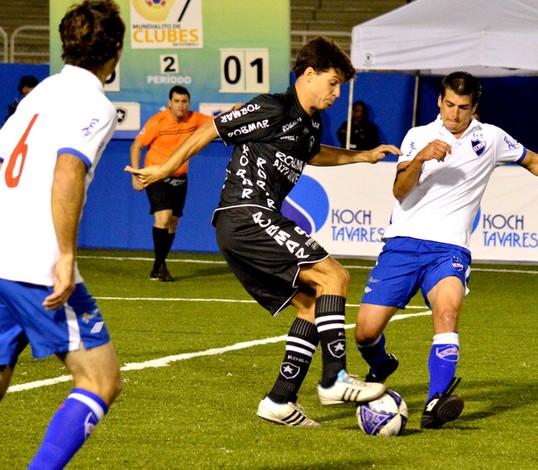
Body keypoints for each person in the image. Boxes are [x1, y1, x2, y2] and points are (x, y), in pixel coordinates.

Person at [126, 36, 401, 427]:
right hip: (245, 213)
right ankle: (334, 378)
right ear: (309, 74)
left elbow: (313, 152)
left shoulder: (310, 122)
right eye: (333, 83)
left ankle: (279, 401)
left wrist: (361, 156)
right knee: (334, 277)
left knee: (310, 306)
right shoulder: (272, 106)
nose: (337, 93)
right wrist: (164, 169)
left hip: (250, 221)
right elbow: (210, 131)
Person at [354, 71, 538, 430]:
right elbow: (400, 191)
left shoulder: (490, 138)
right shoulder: (419, 136)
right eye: (448, 105)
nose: (454, 114)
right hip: (404, 244)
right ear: (439, 102)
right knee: (365, 332)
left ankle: (435, 402)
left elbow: (535, 161)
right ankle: (382, 364)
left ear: (474, 107)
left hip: (450, 249)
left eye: (462, 107)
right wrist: (421, 159)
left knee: (447, 314)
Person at [0, 1, 125, 468]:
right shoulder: (94, 103)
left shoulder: (40, 93)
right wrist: (67, 255)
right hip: (33, 260)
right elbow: (68, 169)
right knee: (100, 379)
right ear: (115, 48)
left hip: (1, 250)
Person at [130, 86, 214, 282]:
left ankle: (160, 266)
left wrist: (233, 111)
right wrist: (135, 174)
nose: (181, 105)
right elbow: (136, 145)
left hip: (180, 179)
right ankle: (158, 268)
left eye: (184, 101)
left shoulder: (194, 119)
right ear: (169, 103)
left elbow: (217, 122)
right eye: (177, 101)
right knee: (164, 217)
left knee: (173, 223)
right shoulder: (157, 121)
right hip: (157, 177)